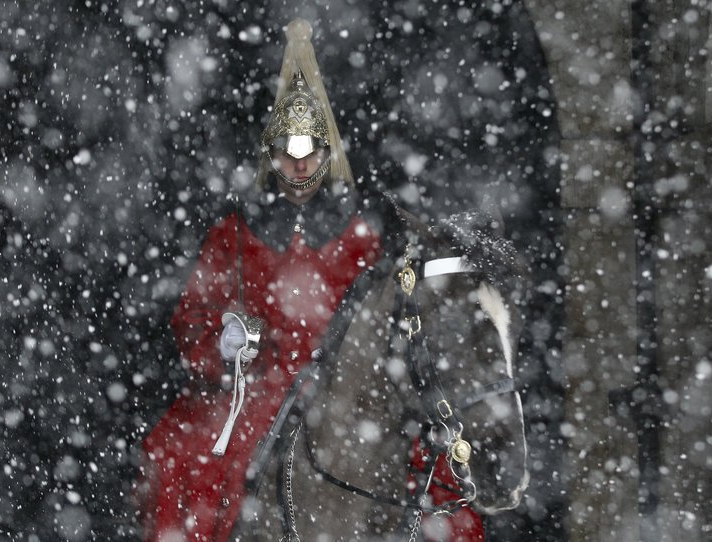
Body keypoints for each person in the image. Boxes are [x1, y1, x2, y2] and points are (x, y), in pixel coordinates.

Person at [137, 18, 490, 541]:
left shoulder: (365, 235)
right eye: (287, 154)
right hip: (260, 390)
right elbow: (191, 320)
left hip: (353, 393)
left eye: (309, 155)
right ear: (271, 155)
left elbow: (398, 313)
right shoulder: (233, 237)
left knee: (439, 477)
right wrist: (225, 342)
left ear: (327, 155)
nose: (299, 169)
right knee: (186, 457)